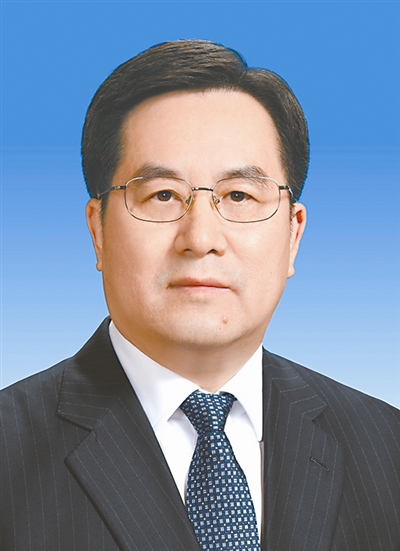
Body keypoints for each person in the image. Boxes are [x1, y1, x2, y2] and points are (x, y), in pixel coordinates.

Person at [0, 40, 399, 551]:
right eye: (163, 195)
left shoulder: (386, 445)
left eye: (240, 195)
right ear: (98, 230)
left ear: (293, 234)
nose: (202, 238)